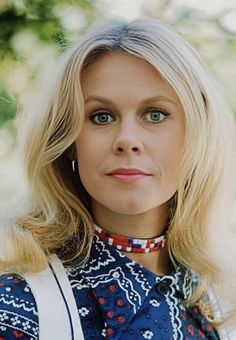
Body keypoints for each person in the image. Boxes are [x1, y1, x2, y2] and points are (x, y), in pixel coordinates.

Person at [0, 18, 235, 340]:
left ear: (197, 135)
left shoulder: (219, 306)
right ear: (69, 143)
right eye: (101, 116)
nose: (127, 139)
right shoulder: (16, 308)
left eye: (155, 114)